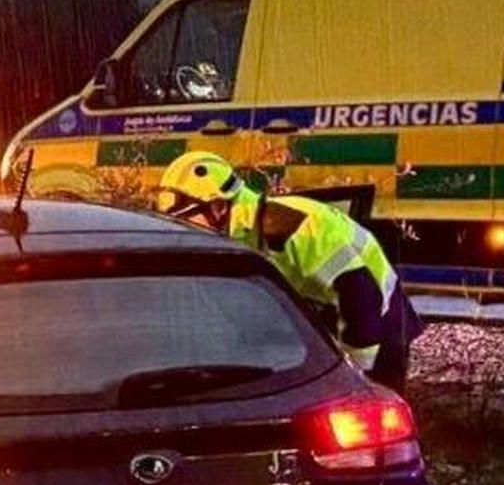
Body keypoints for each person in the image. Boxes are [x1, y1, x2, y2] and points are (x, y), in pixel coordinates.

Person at [154, 150, 420, 391]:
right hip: (329, 313)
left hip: (379, 321)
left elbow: (360, 296)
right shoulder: (239, 232)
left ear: (218, 206)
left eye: (185, 218)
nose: (180, 229)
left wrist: (357, 374)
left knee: (373, 411)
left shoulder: (293, 225)